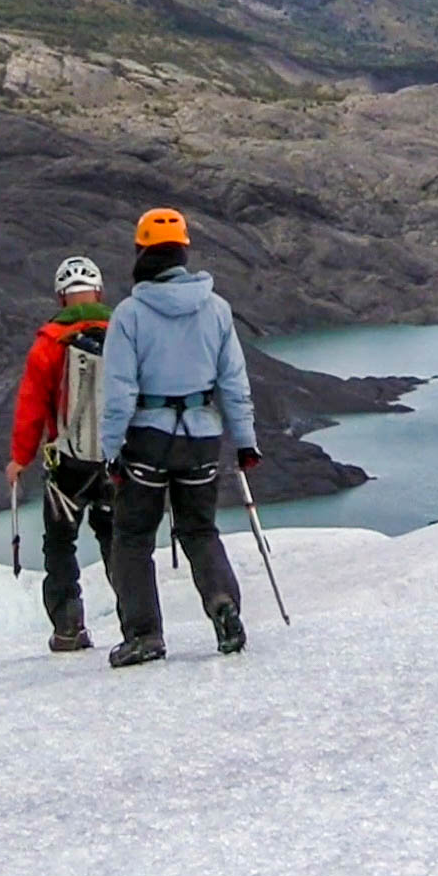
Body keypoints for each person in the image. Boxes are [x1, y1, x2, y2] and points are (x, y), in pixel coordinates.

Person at [99, 207, 262, 668]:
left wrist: (110, 451)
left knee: (131, 537)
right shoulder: (217, 309)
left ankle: (144, 635)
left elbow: (118, 391)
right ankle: (223, 607)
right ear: (182, 251)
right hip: (201, 440)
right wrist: (246, 442)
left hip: (148, 440)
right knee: (198, 529)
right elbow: (233, 382)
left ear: (141, 252)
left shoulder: (129, 314)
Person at [7, 255, 116, 652]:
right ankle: (139, 626)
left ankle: (69, 629)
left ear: (60, 296)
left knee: (59, 545)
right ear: (98, 291)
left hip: (68, 464)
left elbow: (32, 405)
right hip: (115, 460)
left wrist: (20, 458)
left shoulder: (49, 342)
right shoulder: (125, 332)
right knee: (118, 540)